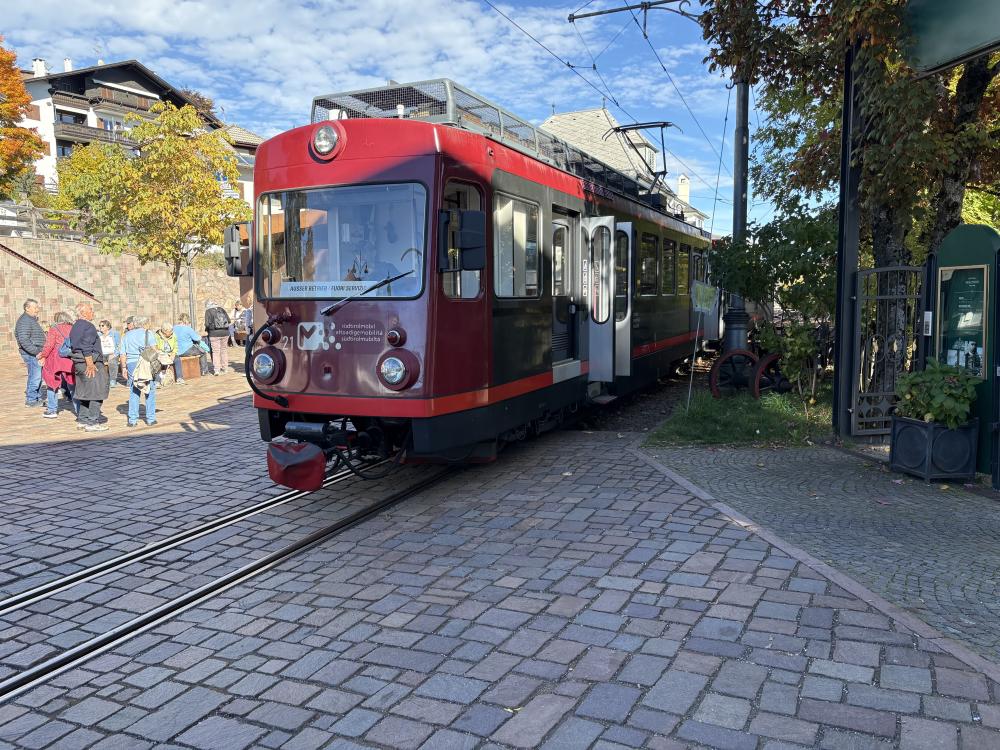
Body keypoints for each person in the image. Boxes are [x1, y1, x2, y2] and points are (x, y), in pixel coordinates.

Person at [69, 302, 110, 432]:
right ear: (83, 313)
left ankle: (83, 420)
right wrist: (90, 364)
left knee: (86, 392)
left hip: (78, 362)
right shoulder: (89, 326)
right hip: (89, 362)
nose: (93, 312)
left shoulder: (75, 326)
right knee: (97, 392)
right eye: (90, 310)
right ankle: (92, 422)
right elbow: (86, 346)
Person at [120, 315, 158, 427]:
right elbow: (155, 350)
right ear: (145, 324)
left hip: (131, 364)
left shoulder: (126, 335)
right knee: (149, 389)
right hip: (145, 362)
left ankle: (132, 420)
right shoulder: (148, 333)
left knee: (134, 390)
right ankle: (151, 418)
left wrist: (123, 368)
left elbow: (123, 354)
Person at [38, 311, 76, 418]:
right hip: (69, 358)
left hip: (55, 359)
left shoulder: (54, 329)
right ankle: (79, 410)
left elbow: (49, 344)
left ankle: (52, 410)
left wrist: (43, 355)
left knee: (52, 384)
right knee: (72, 384)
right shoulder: (73, 328)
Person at [15, 298, 46, 407]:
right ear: (27, 308)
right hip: (32, 353)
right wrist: (36, 352)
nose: (37, 309)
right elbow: (24, 340)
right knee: (35, 376)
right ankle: (31, 399)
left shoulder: (30, 319)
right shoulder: (25, 321)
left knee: (35, 375)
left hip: (34, 352)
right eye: (35, 307)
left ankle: (36, 397)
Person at [174, 313, 208, 382]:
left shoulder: (174, 327)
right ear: (186, 320)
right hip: (187, 350)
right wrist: (201, 335)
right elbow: (197, 338)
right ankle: (204, 371)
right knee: (203, 352)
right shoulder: (188, 328)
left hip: (176, 351)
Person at [204, 300, 231, 375]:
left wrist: (208, 329)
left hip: (214, 333)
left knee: (216, 351)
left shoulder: (208, 311)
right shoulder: (221, 309)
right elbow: (228, 321)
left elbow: (207, 324)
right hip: (225, 332)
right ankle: (225, 368)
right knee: (224, 350)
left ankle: (217, 370)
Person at [98, 320, 121, 388]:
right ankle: (102, 379)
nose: (100, 327)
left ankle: (112, 380)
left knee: (112, 362)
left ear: (108, 327)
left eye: (102, 325)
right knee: (98, 362)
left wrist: (114, 354)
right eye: (99, 325)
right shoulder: (98, 334)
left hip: (112, 353)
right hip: (102, 353)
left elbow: (119, 345)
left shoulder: (114, 333)